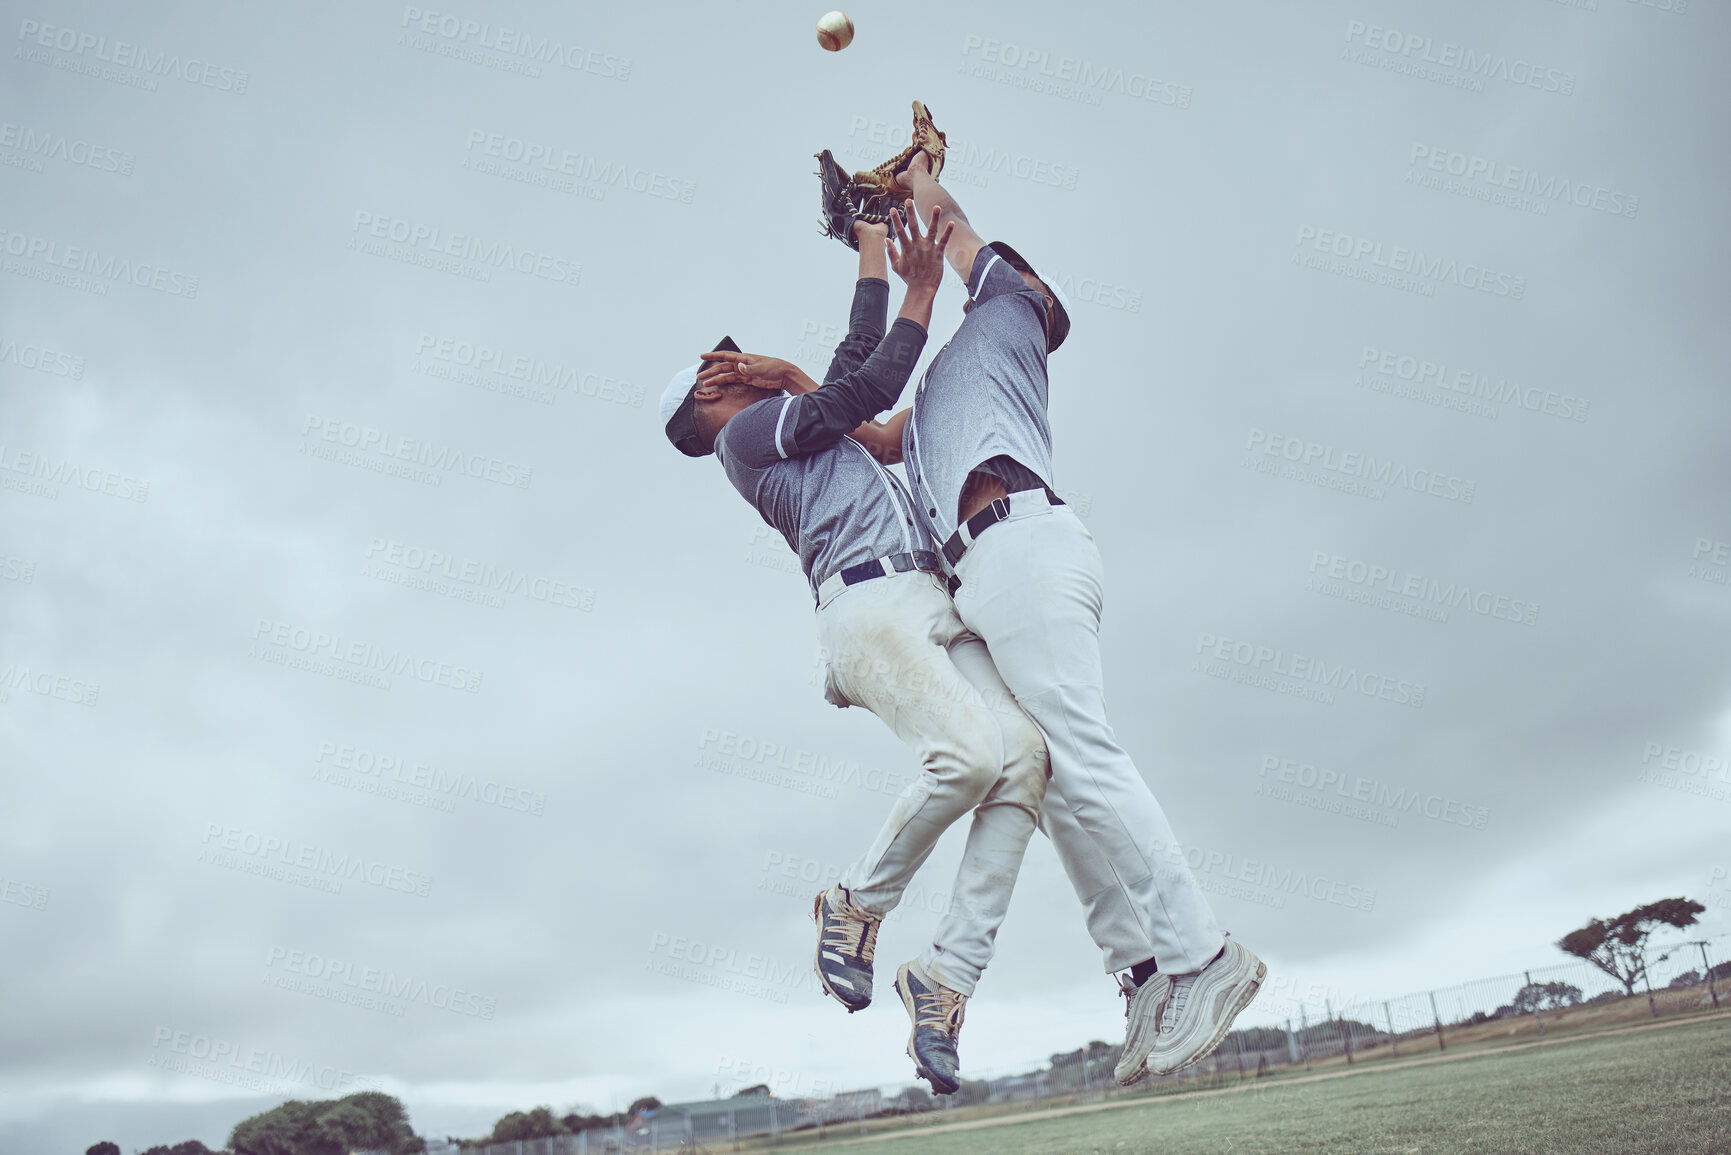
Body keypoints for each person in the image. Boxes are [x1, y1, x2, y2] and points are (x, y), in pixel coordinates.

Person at [847, 138, 1267, 1083]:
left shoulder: (1007, 316)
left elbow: (955, 232)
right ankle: (1147, 968)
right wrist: (858, 265)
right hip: (985, 573)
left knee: (1081, 752)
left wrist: (914, 179)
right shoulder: (941, 384)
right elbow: (866, 428)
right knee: (1049, 778)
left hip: (1023, 546)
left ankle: (1204, 954)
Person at [658, 203, 1049, 1095]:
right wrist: (918, 284)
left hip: (926, 594)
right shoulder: (744, 437)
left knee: (1024, 759)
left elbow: (851, 355)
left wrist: (871, 239)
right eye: (729, 362)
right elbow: (862, 389)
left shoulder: (793, 421)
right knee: (970, 755)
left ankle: (947, 975)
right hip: (868, 605)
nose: (746, 360)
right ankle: (856, 904)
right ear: (709, 395)